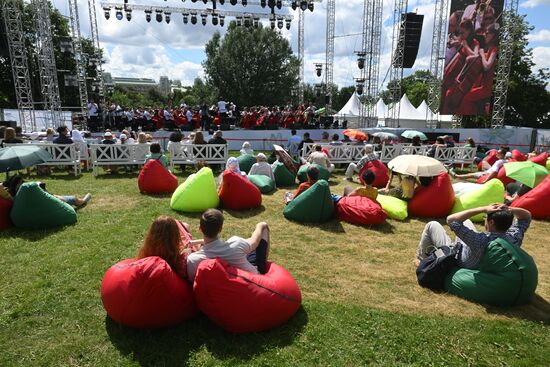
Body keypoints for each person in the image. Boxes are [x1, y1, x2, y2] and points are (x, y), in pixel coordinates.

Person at [415, 204, 531, 268]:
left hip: (462, 260)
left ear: (491, 223)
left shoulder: (479, 240)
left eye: (486, 218)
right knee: (466, 222)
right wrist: (508, 209)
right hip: (483, 262)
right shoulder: (514, 237)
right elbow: (526, 216)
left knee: (432, 225)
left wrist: (483, 209)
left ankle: (421, 260)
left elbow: (451, 220)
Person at [186, 209, 270, 282]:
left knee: (243, 249)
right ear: (221, 228)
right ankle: (264, 266)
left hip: (220, 290)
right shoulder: (236, 243)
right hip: (253, 279)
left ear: (200, 229)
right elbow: (255, 241)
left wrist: (195, 242)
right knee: (263, 230)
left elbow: (193, 280)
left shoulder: (193, 260)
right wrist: (260, 225)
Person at [136, 216, 204, 281]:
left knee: (182, 225)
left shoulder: (146, 252)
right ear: (175, 236)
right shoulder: (180, 259)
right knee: (183, 226)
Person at [3, 175, 91, 208]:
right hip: (50, 202)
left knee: (57, 195)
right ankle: (83, 201)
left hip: (44, 201)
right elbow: (47, 197)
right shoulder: (26, 191)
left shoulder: (10, 197)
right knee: (73, 199)